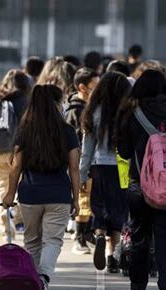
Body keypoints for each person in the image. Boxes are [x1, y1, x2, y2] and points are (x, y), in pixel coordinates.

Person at [117, 69, 166, 290]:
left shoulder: (132, 112)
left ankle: (138, 287)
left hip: (140, 184)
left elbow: (124, 150)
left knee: (140, 236)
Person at [2, 85, 80, 290]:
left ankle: (33, 282)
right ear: (57, 104)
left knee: (32, 241)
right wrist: (76, 198)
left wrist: (9, 194)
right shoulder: (67, 131)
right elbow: (74, 167)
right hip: (59, 194)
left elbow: (16, 166)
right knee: (53, 240)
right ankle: (43, 278)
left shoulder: (25, 130)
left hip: (30, 194)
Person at [80, 71, 131, 273]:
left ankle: (99, 234)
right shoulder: (128, 111)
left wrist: (82, 174)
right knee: (118, 209)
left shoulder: (94, 111)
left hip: (99, 165)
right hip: (123, 166)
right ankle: (112, 256)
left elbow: (87, 147)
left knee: (99, 207)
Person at [0, 69, 32, 236]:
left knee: (2, 187)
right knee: (19, 186)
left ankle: (5, 222)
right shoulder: (25, 102)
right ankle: (16, 217)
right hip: (19, 152)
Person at [65, 67, 100, 255]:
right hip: (80, 163)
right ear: (82, 87)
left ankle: (87, 233)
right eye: (94, 86)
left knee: (90, 200)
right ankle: (79, 238)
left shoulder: (90, 108)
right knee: (83, 200)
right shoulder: (75, 111)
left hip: (92, 161)